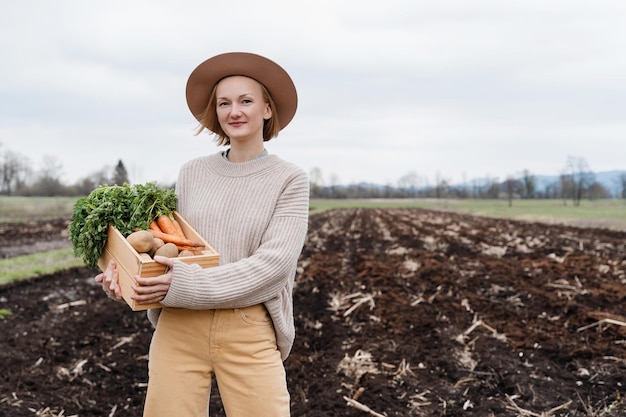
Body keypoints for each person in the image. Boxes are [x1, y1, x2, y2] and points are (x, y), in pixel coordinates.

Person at [95, 52, 309, 417]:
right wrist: (130, 279)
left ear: (267, 110)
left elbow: (274, 266)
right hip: (179, 325)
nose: (234, 111)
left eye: (245, 101)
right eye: (224, 103)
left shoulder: (289, 178)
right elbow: (167, 247)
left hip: (248, 325)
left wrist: (181, 284)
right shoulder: (192, 172)